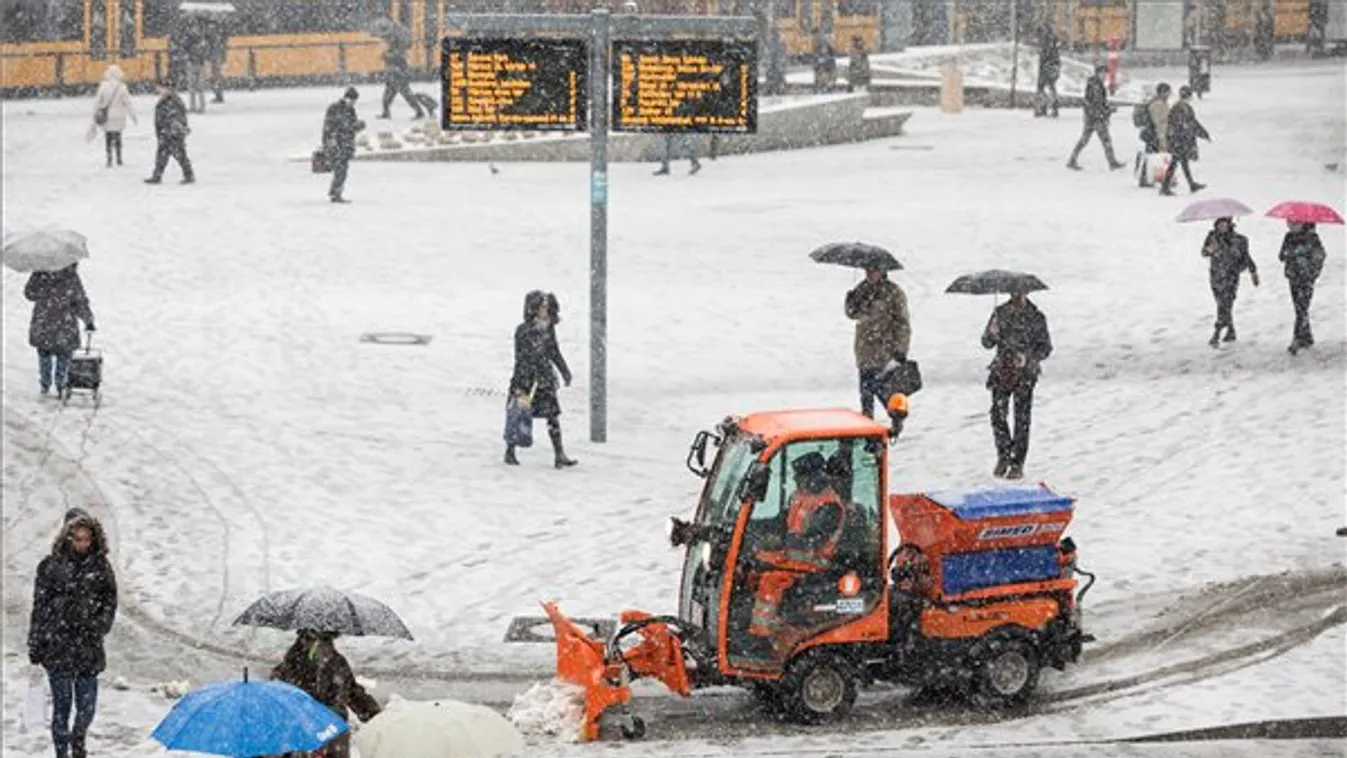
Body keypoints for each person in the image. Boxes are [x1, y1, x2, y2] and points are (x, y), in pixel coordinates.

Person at [28, 513, 118, 758]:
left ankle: (78, 740)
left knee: (87, 709)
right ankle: (61, 753)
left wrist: (99, 624)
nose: (82, 544)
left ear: (94, 539)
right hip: (57, 648)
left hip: (88, 648)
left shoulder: (101, 567)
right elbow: (39, 606)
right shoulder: (50, 566)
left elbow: (110, 600)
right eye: (77, 538)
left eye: (86, 539)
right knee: (62, 708)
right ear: (67, 537)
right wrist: (36, 643)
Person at [747, 452, 846, 656]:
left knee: (771, 581)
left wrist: (782, 540)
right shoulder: (800, 496)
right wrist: (750, 529)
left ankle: (761, 637)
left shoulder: (829, 505)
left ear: (813, 476)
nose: (795, 480)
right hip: (793, 558)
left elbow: (813, 540)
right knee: (751, 564)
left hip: (814, 564)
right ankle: (746, 622)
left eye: (799, 476)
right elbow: (779, 522)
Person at [271, 629, 380, 758]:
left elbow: (276, 692)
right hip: (331, 730)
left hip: (301, 732)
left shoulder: (292, 659)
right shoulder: (336, 661)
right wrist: (377, 717)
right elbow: (352, 692)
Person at [982, 287, 1052, 480]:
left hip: (1025, 375)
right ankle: (1003, 455)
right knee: (998, 415)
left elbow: (1045, 347)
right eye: (1013, 292)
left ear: (1027, 293)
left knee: (1022, 420)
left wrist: (1028, 358)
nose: (1016, 296)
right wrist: (991, 333)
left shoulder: (1036, 317)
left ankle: (1017, 462)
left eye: (1020, 292)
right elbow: (986, 342)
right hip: (1001, 370)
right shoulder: (1000, 313)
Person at [505, 291, 577, 468]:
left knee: (552, 415)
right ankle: (510, 450)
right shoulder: (523, 330)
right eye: (541, 307)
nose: (545, 310)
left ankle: (559, 454)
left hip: (544, 380)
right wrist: (524, 381)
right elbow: (522, 357)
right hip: (525, 380)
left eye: (547, 307)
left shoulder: (549, 328)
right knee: (518, 415)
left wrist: (564, 371)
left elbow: (554, 351)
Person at [845, 266, 911, 427]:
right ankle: (868, 431)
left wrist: (900, 351)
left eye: (873, 270)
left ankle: (896, 424)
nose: (869, 273)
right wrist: (850, 300)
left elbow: (903, 324)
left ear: (882, 271)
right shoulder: (862, 289)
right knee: (866, 396)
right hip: (864, 353)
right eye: (867, 270)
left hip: (885, 353)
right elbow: (852, 314)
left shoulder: (893, 292)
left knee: (886, 394)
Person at [25, 264, 95, 398]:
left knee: (44, 353)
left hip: (43, 322)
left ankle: (45, 384)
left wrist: (37, 277)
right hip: (65, 324)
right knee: (63, 355)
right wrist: (88, 320)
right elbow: (80, 302)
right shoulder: (71, 277)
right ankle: (61, 384)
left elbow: (29, 294)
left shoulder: (41, 273)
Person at [1201, 217, 1258, 346]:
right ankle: (1231, 331)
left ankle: (1217, 332)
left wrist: (1253, 271)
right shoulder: (1212, 237)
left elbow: (1246, 256)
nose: (1222, 226)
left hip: (1231, 276)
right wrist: (1210, 249)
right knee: (1222, 304)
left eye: (1224, 223)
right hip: (1216, 276)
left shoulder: (1240, 240)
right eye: (1219, 224)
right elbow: (1203, 252)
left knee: (1225, 303)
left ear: (1229, 224)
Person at [1279, 221, 1327, 355]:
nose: (1291, 225)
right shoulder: (1288, 237)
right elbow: (1281, 256)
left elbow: (1320, 256)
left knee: (1302, 308)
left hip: (1306, 279)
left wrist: (1311, 270)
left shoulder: (1312, 238)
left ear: (1303, 224)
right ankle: (1307, 337)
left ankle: (1297, 339)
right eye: (1289, 223)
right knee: (1300, 308)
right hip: (1293, 278)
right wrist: (1290, 253)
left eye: (1294, 223)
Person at [1066, 64, 1125, 172]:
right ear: (1098, 73)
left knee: (1085, 139)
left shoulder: (1094, 83)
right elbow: (1097, 103)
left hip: (1091, 116)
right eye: (1102, 73)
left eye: (1105, 74)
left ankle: (1072, 160)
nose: (1104, 76)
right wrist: (1107, 111)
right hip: (1096, 117)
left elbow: (1095, 102)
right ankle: (1112, 162)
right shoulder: (1096, 85)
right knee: (1105, 140)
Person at [1159, 85, 1209, 196]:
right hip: (1179, 140)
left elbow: (1190, 123)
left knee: (1181, 162)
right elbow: (1188, 124)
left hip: (1178, 140)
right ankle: (1166, 187)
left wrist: (1202, 133)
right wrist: (1201, 133)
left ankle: (1189, 184)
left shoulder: (1180, 107)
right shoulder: (1181, 108)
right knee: (1176, 162)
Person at [145, 79, 194, 185]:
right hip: (166, 132)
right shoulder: (167, 99)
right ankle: (157, 176)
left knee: (179, 155)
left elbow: (178, 118)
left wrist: (173, 129)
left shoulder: (173, 100)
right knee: (163, 156)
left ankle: (188, 175)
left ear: (167, 88)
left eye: (160, 88)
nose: (158, 90)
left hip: (172, 133)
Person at [322, 87, 365, 203]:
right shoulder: (335, 109)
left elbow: (349, 126)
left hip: (344, 144)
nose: (353, 103)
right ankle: (336, 193)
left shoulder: (350, 110)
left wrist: (357, 126)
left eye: (354, 101)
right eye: (351, 100)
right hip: (337, 144)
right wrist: (329, 142)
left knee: (342, 170)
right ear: (346, 98)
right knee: (341, 169)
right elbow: (337, 126)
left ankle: (335, 192)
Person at [91, 63, 136, 168]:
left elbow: (97, 102)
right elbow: (128, 103)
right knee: (118, 137)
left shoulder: (103, 86)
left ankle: (109, 159)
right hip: (119, 117)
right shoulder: (122, 87)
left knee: (108, 138)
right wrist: (133, 116)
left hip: (107, 117)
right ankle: (119, 158)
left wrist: (95, 114)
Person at [378, 45, 424, 119]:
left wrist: (401, 74)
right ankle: (386, 113)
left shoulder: (397, 58)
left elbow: (402, 69)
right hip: (392, 81)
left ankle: (419, 112)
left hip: (399, 81)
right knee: (386, 98)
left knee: (408, 97)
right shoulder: (392, 58)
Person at [1034, 23, 1061, 118]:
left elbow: (1045, 54)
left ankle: (1043, 107)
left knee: (1041, 87)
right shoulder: (1053, 40)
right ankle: (1052, 107)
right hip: (1054, 65)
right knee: (1051, 86)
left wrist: (1044, 64)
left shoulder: (1047, 42)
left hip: (1047, 66)